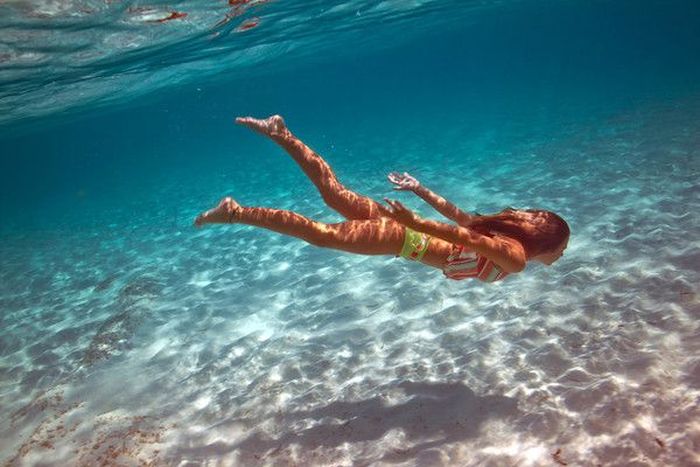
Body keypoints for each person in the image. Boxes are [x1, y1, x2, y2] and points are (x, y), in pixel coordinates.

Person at [195, 115, 569, 283]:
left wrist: (419, 189)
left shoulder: (503, 238)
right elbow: (464, 238)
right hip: (404, 237)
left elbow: (459, 218)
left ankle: (282, 132)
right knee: (321, 234)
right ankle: (235, 212)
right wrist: (414, 223)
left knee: (332, 193)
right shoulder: (516, 259)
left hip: (404, 230)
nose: (562, 255)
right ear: (544, 243)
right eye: (562, 248)